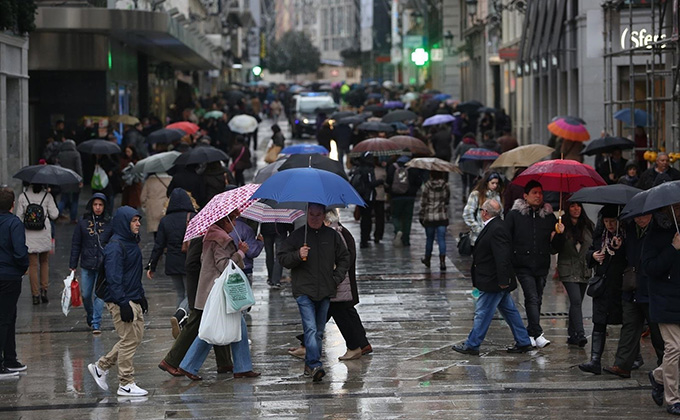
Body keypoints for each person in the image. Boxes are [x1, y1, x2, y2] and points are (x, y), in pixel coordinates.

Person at [177, 210, 260, 380]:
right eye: (233, 220)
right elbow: (223, 265)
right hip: (219, 291)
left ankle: (242, 367)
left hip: (210, 289)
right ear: (225, 221)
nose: (235, 224)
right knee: (211, 329)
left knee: (238, 326)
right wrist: (241, 253)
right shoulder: (222, 239)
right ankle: (188, 365)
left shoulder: (210, 236)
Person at [278, 203, 351, 382]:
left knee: (318, 331)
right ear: (307, 214)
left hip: (325, 290)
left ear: (324, 215)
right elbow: (282, 258)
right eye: (311, 214)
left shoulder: (332, 235)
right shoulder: (298, 236)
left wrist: (336, 277)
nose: (315, 218)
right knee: (310, 329)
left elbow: (344, 258)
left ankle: (309, 366)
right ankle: (314, 363)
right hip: (304, 290)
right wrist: (297, 255)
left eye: (318, 215)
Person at [451, 199, 533, 355]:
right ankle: (523, 341)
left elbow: (502, 257)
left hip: (493, 280)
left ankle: (472, 344)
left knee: (482, 313)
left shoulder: (497, 229)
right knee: (509, 311)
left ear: (485, 212)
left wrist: (503, 281)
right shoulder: (495, 226)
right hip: (494, 279)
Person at [88, 206, 149, 396]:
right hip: (121, 299)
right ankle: (125, 382)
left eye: (138, 220)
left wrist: (141, 296)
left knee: (133, 338)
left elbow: (133, 274)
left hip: (133, 296)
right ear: (124, 223)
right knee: (129, 339)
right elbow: (114, 278)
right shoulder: (115, 246)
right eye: (134, 221)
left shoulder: (131, 242)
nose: (138, 224)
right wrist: (122, 303)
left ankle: (101, 367)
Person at [603, 213, 664, 378]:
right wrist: (619, 247)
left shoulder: (659, 230)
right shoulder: (630, 230)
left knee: (657, 330)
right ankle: (622, 365)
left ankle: (665, 365)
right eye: (637, 217)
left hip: (650, 288)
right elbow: (626, 257)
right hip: (632, 286)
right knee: (629, 327)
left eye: (643, 216)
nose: (640, 219)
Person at [505, 180, 557, 348]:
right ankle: (538, 333)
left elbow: (555, 247)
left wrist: (559, 234)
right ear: (525, 196)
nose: (538, 196)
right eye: (534, 193)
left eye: (540, 193)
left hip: (541, 264)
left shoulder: (549, 216)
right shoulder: (514, 215)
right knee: (532, 297)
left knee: (537, 299)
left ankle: (531, 331)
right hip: (523, 264)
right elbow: (507, 238)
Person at [578, 205, 626, 375]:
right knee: (599, 322)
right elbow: (589, 252)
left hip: (620, 286)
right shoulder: (601, 236)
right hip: (601, 286)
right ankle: (595, 360)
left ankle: (632, 358)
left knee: (626, 323)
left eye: (612, 221)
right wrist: (593, 256)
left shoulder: (625, 236)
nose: (609, 225)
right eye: (606, 221)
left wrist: (620, 248)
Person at [645, 203, 680, 415]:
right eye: (675, 207)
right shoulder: (656, 234)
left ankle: (658, 376)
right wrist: (673, 248)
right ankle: (674, 399)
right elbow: (650, 267)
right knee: (675, 348)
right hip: (665, 299)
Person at [147, 188, 196, 338]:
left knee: (180, 293)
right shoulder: (194, 217)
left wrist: (151, 266)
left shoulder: (165, 221)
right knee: (191, 295)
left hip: (173, 262)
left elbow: (159, 245)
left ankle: (180, 322)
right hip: (190, 261)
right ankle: (179, 317)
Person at [551, 201, 594, 347]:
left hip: (584, 269)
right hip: (568, 270)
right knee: (575, 301)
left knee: (577, 303)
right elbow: (554, 248)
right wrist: (560, 234)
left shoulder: (589, 226)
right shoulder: (561, 225)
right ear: (567, 208)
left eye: (578, 206)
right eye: (572, 206)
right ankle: (580, 334)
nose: (576, 209)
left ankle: (572, 333)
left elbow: (594, 246)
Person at [69, 193, 112, 334]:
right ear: (91, 206)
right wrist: (72, 264)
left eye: (100, 205)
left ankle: (96, 323)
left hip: (103, 264)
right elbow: (76, 243)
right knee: (86, 294)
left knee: (99, 295)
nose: (98, 208)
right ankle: (91, 314)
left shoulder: (109, 223)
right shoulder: (83, 222)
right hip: (87, 263)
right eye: (95, 205)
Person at [0, 187, 29, 377]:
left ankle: (10, 358)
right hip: (9, 276)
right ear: (12, 205)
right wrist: (22, 267)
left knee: (9, 317)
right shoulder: (14, 223)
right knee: (5, 319)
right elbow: (20, 251)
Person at [14, 184, 59, 305]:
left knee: (32, 265)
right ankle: (44, 290)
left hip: (29, 235)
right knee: (44, 262)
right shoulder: (47, 196)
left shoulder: (23, 196)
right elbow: (54, 214)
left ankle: (35, 294)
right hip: (43, 233)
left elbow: (18, 217)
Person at [386, 156, 422, 247]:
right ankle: (406, 239)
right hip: (409, 197)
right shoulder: (413, 168)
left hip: (396, 196)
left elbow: (388, 181)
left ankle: (398, 230)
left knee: (395, 216)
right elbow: (418, 182)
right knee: (407, 218)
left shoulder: (392, 167)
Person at [419, 171, 450, 271]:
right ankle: (442, 262)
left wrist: (421, 215)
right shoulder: (445, 185)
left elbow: (423, 202)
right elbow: (447, 200)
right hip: (442, 216)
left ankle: (427, 259)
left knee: (429, 239)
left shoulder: (427, 186)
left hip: (430, 217)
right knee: (441, 239)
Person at [463, 172, 503, 248]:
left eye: (497, 183)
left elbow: (500, 213)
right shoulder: (476, 195)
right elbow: (467, 213)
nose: (495, 185)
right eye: (493, 183)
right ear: (487, 182)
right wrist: (477, 229)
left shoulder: (497, 195)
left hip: (494, 236)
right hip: (478, 237)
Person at [228, 217, 264, 285]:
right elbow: (252, 252)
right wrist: (260, 242)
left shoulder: (221, 230)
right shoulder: (246, 229)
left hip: (226, 268)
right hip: (244, 268)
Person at [56, 139, 83, 223]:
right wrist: (80, 179)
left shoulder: (60, 155)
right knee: (75, 199)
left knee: (63, 199)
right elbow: (79, 168)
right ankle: (73, 218)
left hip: (64, 179)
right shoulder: (76, 154)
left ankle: (56, 215)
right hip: (74, 179)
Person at [140, 171, 172, 238]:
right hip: (166, 207)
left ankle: (158, 246)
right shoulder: (170, 179)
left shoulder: (149, 180)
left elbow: (143, 197)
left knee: (156, 230)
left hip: (153, 207)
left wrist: (144, 206)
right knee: (166, 229)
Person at [454, 133, 480, 200]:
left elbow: (456, 153)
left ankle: (463, 194)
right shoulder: (475, 146)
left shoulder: (461, 144)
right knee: (471, 182)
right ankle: (470, 195)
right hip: (473, 167)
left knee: (464, 182)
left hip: (463, 166)